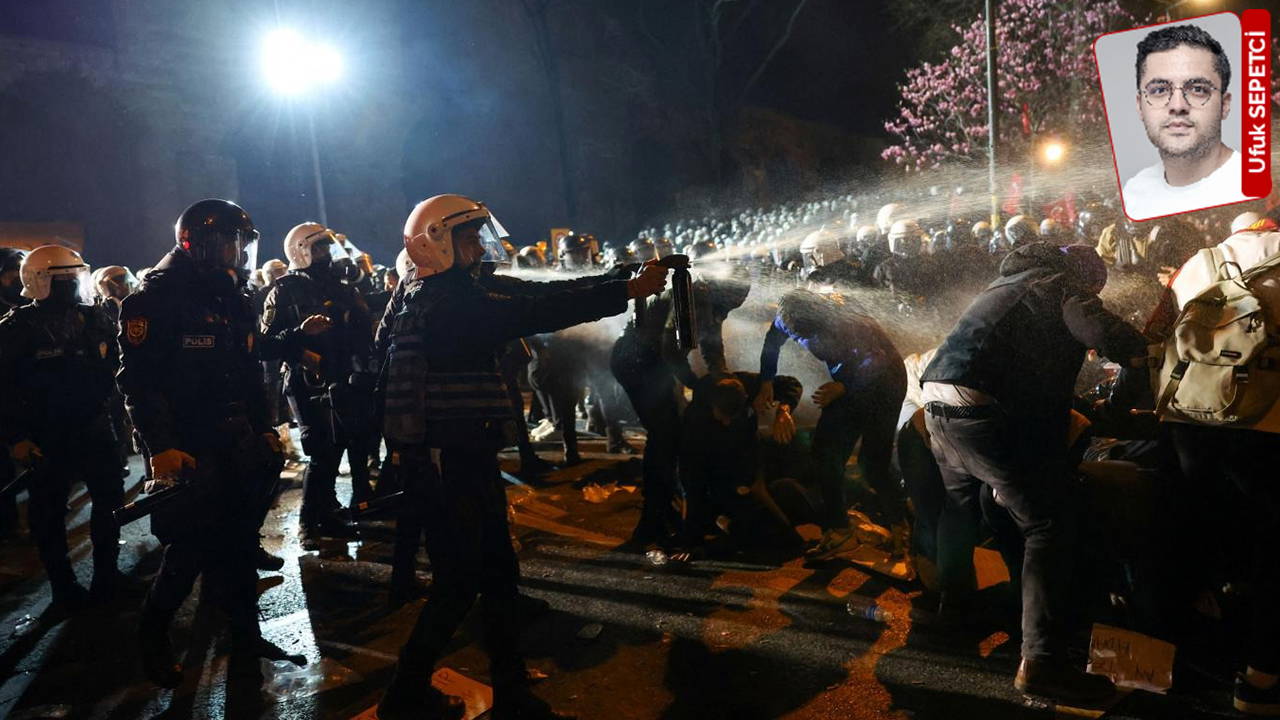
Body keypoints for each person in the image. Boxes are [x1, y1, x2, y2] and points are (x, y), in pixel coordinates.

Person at [376, 194, 667, 720]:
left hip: (465, 456)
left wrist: (626, 274)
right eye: (468, 238)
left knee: (496, 575)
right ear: (435, 244)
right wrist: (626, 290)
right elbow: (538, 309)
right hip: (448, 461)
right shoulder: (448, 303)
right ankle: (403, 695)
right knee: (461, 582)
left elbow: (544, 290)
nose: (480, 247)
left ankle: (511, 693)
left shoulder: (445, 291)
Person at [920, 242, 1148, 705]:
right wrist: (1142, 350)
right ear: (1085, 278)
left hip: (938, 405)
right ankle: (1042, 662)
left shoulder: (1007, 283)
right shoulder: (1060, 284)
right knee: (1048, 524)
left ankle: (955, 612)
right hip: (980, 413)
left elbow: (1016, 365)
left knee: (960, 509)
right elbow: (1103, 331)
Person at [118, 199, 290, 689]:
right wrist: (160, 447)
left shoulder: (232, 295)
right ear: (205, 242)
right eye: (234, 241)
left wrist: (263, 428)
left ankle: (245, 636)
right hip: (189, 443)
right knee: (188, 550)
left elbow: (250, 372)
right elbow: (139, 383)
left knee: (237, 544)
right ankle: (152, 637)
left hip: (235, 441)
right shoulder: (154, 298)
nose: (241, 252)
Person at [1147, 211, 1280, 716]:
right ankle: (1260, 679)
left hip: (1191, 416)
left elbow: (1155, 329)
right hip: (1267, 423)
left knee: (1189, 528)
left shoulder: (1197, 262)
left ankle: (1170, 659)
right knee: (1271, 544)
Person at [0, 246, 124, 608]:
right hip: (46, 434)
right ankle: (63, 589)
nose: (72, 286)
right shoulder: (16, 328)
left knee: (110, 503)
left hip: (95, 427)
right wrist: (16, 438)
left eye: (75, 278)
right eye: (63, 279)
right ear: (38, 281)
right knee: (48, 512)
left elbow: (113, 368)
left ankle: (107, 577)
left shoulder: (96, 317)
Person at [758, 288, 908, 559]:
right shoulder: (788, 316)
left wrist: (844, 387)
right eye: (797, 335)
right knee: (825, 452)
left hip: (884, 383)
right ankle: (840, 531)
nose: (802, 340)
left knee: (872, 464)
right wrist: (767, 378)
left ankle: (903, 530)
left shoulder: (846, 316)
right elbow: (772, 340)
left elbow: (878, 357)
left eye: (808, 335)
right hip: (846, 383)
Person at [261, 222, 374, 547]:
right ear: (302, 250)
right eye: (320, 247)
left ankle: (328, 515)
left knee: (337, 446)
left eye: (328, 247)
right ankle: (308, 524)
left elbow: (360, 330)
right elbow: (266, 342)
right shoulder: (284, 289)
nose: (327, 254)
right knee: (320, 450)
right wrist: (300, 343)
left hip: (341, 376)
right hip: (305, 380)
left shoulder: (340, 285)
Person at [1120, 24, 1251, 220]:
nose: (1178, 105)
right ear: (1140, 106)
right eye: (1159, 90)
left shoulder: (1255, 186)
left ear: (1224, 105)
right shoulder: (1134, 194)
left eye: (1197, 89)